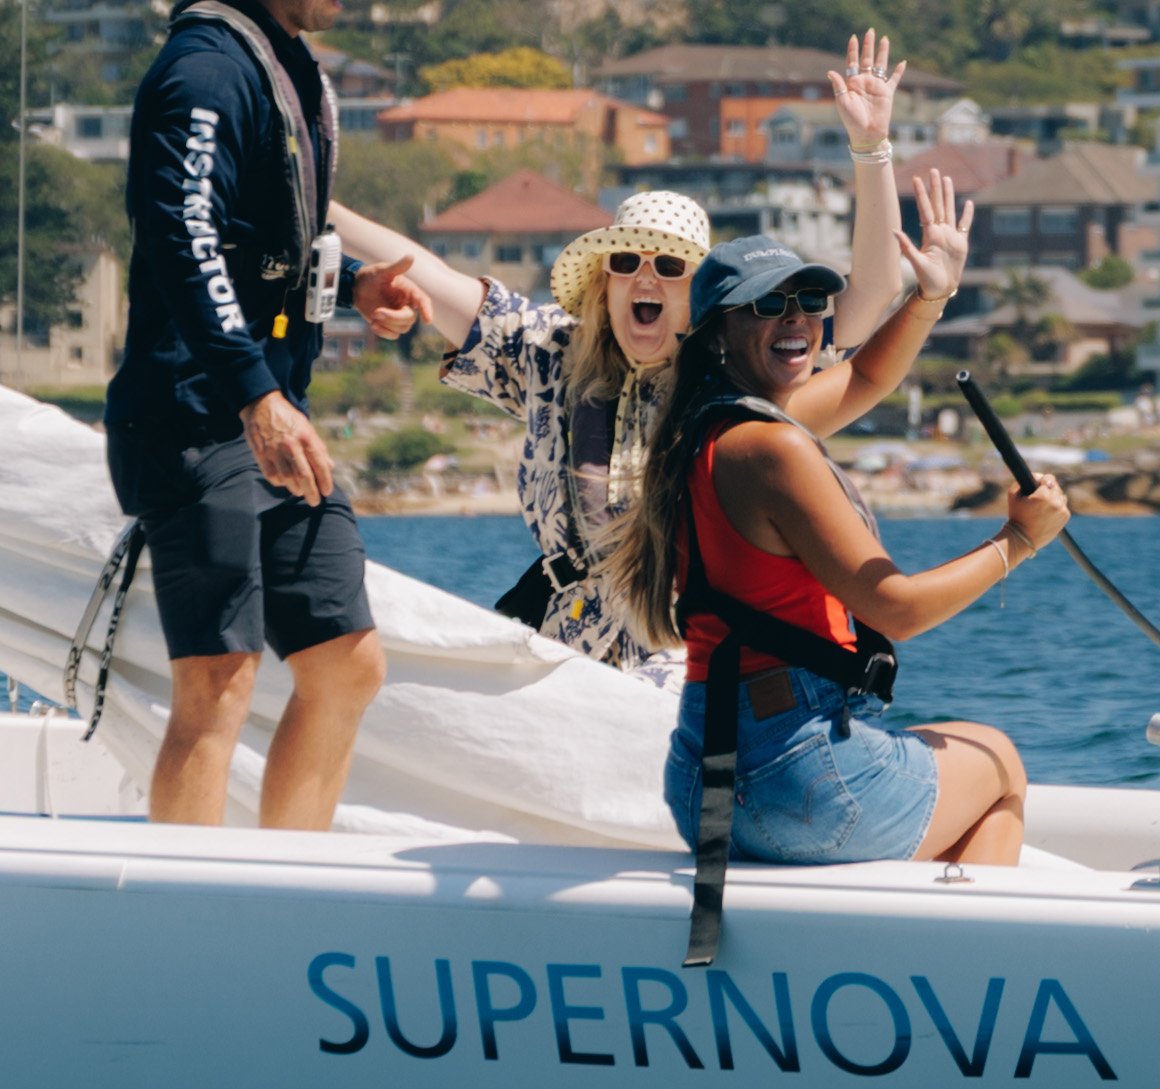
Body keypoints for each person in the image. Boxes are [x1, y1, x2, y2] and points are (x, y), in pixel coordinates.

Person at [334, 33, 963, 664]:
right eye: (627, 259)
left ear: (700, 298)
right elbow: (420, 270)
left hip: (681, 657)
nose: (646, 276)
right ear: (604, 281)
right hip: (566, 648)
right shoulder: (546, 352)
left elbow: (870, 297)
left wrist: (872, 148)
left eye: (669, 265)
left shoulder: (735, 382)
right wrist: (309, 201)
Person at [105, 0, 405, 829]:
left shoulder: (282, 66)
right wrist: (255, 393)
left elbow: (261, 240)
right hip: (198, 420)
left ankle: (290, 885)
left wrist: (353, 285)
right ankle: (183, 925)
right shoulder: (201, 71)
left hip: (268, 414)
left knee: (347, 665)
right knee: (219, 681)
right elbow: (184, 242)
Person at [605, 239, 1064, 876]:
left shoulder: (702, 428)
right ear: (719, 334)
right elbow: (896, 610)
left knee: (970, 777)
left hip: (704, 780)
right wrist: (1019, 540)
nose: (796, 318)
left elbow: (870, 376)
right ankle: (967, 965)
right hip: (792, 777)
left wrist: (930, 296)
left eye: (811, 300)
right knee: (998, 761)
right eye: (768, 304)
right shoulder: (771, 450)